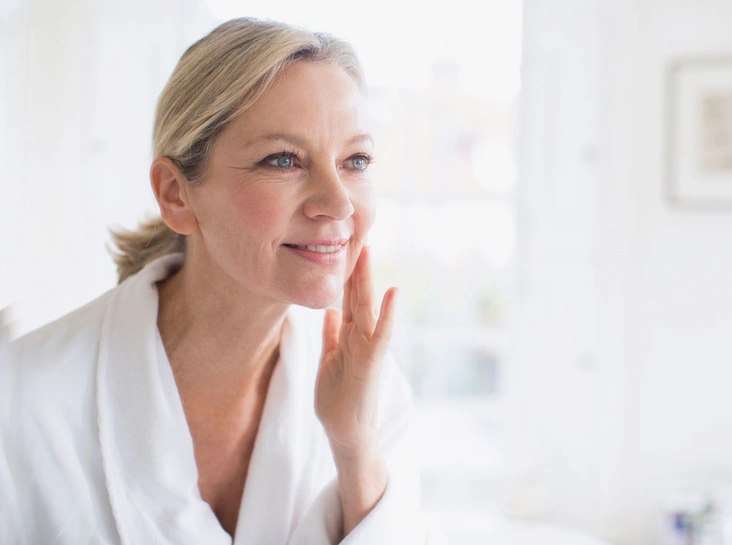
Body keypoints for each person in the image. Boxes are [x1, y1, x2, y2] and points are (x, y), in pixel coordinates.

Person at [0, 17, 434, 544]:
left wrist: (354, 447)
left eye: (355, 160)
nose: (339, 203)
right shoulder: (24, 400)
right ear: (176, 194)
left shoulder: (371, 394)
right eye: (284, 160)